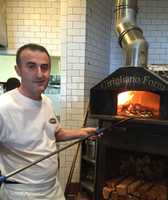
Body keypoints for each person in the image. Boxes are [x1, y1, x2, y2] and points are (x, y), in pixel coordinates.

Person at [0, 43, 96, 200]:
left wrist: (83, 132)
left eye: (44, 67)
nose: (39, 74)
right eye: (31, 66)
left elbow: (55, 134)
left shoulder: (46, 101)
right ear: (18, 70)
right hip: (21, 193)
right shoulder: (3, 107)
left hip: (52, 188)